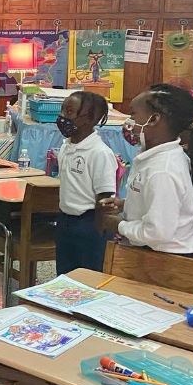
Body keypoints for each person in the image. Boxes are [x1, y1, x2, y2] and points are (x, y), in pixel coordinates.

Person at [100, 83, 193, 256]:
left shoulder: (163, 169)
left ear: (153, 120)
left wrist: (118, 225)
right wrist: (126, 205)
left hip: (169, 261)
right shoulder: (153, 157)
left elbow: (157, 233)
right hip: (152, 252)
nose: (128, 122)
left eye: (133, 114)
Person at [55, 91, 117, 273]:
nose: (62, 117)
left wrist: (99, 231)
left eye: (69, 112)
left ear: (89, 119)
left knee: (89, 277)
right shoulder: (66, 145)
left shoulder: (100, 153)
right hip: (65, 220)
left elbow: (104, 196)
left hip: (90, 223)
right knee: (64, 276)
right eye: (62, 110)